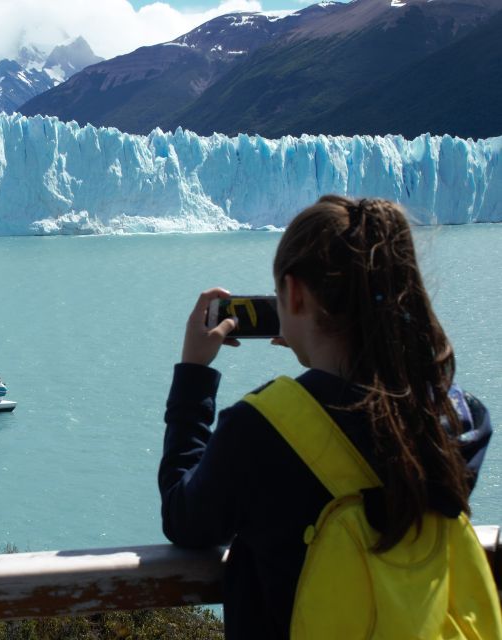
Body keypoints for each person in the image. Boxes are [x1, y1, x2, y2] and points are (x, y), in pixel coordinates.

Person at [158, 196, 493, 639]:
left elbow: (185, 520)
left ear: (294, 294)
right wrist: (317, 357)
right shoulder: (458, 419)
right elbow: (370, 425)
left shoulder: (262, 429)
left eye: (280, 294)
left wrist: (194, 376)